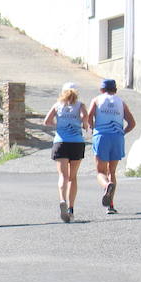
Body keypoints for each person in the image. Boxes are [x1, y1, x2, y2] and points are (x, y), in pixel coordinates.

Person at [86, 78, 136, 215]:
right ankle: (111, 206)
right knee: (111, 172)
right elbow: (132, 123)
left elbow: (89, 117)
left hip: (102, 136)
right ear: (115, 89)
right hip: (117, 138)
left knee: (101, 172)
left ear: (102, 89)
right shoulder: (121, 102)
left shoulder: (96, 100)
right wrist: (122, 133)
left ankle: (107, 185)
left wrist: (91, 128)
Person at [43, 82, 89, 223]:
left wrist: (59, 125)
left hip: (61, 142)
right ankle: (71, 208)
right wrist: (84, 125)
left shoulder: (57, 105)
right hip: (76, 142)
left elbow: (47, 121)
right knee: (73, 177)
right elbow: (84, 118)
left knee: (63, 175)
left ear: (62, 92)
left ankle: (62, 200)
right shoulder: (80, 105)